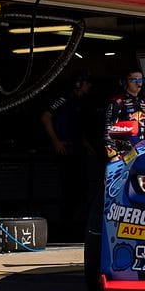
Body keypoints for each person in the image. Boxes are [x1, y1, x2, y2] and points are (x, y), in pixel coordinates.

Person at [40, 74, 95, 238]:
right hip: (65, 150)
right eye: (87, 84)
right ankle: (64, 228)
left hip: (77, 149)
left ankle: (73, 226)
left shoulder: (80, 102)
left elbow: (77, 127)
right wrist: (56, 141)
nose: (89, 88)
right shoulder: (63, 99)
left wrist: (87, 145)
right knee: (68, 190)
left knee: (81, 189)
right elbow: (45, 116)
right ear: (80, 84)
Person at [104, 69, 145, 159]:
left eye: (140, 80)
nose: (138, 83)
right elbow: (107, 130)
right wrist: (113, 155)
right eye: (133, 80)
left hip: (142, 150)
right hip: (123, 152)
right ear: (125, 82)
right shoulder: (117, 102)